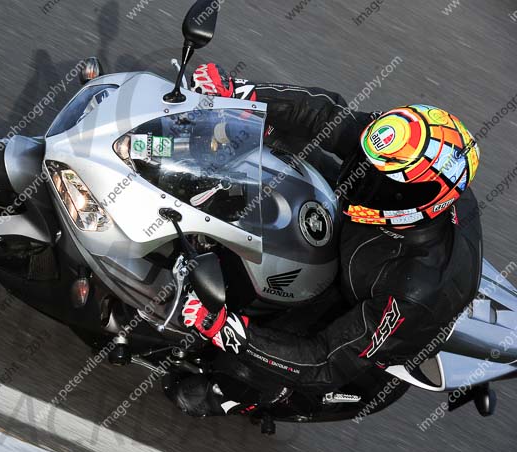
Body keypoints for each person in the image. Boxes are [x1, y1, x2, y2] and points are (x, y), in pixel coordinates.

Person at [168, 63, 483, 417]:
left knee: (238, 371)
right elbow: (329, 117)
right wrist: (244, 93)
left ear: (418, 201)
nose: (361, 177)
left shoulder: (413, 291)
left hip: (354, 298)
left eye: (381, 184)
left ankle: (234, 395)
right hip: (357, 235)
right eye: (365, 164)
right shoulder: (399, 157)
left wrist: (229, 331)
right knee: (273, 134)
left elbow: (326, 360)